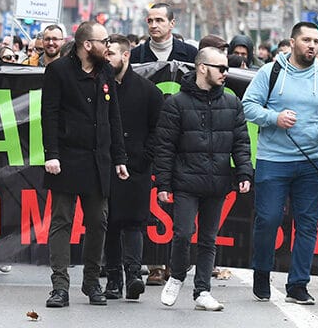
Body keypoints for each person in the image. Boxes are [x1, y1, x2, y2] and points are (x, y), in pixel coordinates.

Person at [243, 21, 318, 305]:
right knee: (268, 219)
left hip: (312, 161)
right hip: (274, 160)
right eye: (307, 40)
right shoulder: (270, 71)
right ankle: (261, 271)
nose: (313, 46)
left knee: (308, 225)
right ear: (292, 42)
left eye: (316, 41)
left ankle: (298, 284)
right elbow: (248, 105)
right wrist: (274, 118)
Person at [155, 47, 253, 311]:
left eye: (227, 68)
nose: (225, 73)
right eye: (220, 68)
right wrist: (163, 184)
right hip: (186, 180)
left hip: (217, 181)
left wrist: (244, 171)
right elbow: (164, 147)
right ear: (202, 67)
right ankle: (176, 276)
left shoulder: (232, 103)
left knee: (209, 238)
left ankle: (202, 292)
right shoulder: (175, 103)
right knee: (183, 233)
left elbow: (241, 143)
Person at [42, 21, 128, 308]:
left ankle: (91, 282)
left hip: (98, 160)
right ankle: (60, 286)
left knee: (98, 222)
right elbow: (50, 115)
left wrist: (119, 158)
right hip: (66, 159)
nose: (109, 46)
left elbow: (113, 115)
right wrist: (51, 153)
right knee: (62, 221)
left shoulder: (105, 71)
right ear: (87, 45)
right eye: (104, 41)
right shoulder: (57, 71)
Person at [102, 34, 163, 300]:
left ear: (125, 55)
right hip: (105, 165)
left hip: (136, 166)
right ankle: (114, 279)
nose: (107, 59)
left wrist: (142, 158)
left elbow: (158, 130)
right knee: (110, 223)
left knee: (135, 222)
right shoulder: (98, 87)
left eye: (111, 54)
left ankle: (134, 274)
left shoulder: (148, 91)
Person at [129, 3, 197, 64]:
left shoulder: (190, 53)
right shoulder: (135, 55)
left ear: (172, 23)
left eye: (159, 20)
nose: (153, 25)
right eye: (150, 21)